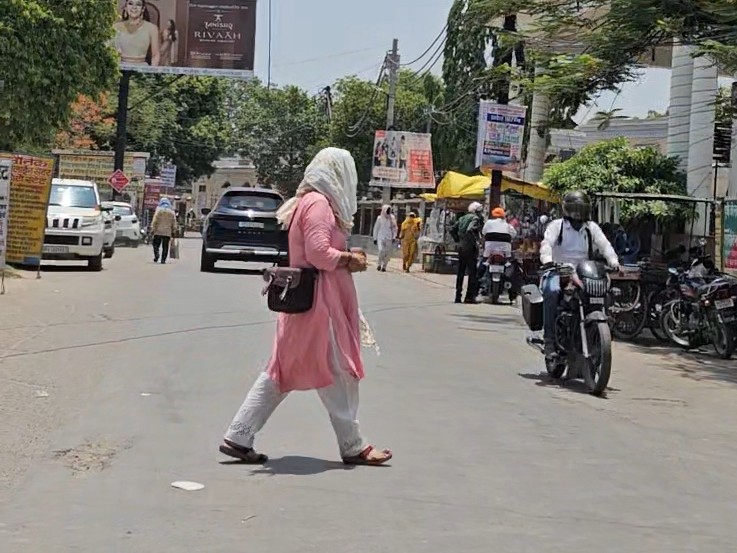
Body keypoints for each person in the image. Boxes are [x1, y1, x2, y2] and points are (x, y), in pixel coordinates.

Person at [220, 147, 392, 466]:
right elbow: (318, 253)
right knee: (338, 371)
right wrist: (348, 259)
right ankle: (353, 445)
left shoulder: (313, 202)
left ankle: (239, 435)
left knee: (281, 371)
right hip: (320, 305)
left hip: (309, 303)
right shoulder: (319, 204)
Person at [539, 191, 619, 360]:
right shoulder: (557, 226)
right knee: (551, 292)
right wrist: (547, 260)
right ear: (567, 209)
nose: (577, 213)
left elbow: (605, 245)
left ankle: (600, 332)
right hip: (558, 270)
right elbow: (547, 244)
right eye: (574, 208)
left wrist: (613, 261)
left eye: (581, 209)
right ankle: (549, 340)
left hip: (584, 272)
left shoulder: (591, 227)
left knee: (604, 293)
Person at [451, 202, 484, 304]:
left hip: (461, 247)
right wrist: (476, 241)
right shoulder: (475, 219)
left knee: (460, 272)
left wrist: (458, 240)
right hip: (470, 248)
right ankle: (469, 297)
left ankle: (458, 296)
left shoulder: (462, 218)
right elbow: (471, 229)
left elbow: (452, 229)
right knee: (472, 273)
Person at [113, 0, 160, 66]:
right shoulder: (116, 27)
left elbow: (155, 55)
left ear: (143, 9)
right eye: (130, 3)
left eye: (138, 4)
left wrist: (152, 71)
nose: (134, 7)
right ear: (125, 7)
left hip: (142, 69)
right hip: (120, 67)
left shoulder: (152, 28)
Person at [150, 198, 177, 264]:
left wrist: (152, 229)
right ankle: (163, 260)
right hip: (167, 233)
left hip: (158, 232)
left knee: (155, 245)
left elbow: (155, 221)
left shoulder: (158, 211)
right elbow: (174, 223)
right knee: (165, 247)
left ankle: (156, 254)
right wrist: (174, 231)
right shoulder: (171, 212)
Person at [373, 205, 397, 272]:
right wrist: (375, 238)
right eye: (387, 210)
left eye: (389, 210)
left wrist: (394, 236)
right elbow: (376, 228)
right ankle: (379, 264)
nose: (388, 211)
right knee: (381, 250)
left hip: (389, 237)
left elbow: (394, 228)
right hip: (380, 237)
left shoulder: (392, 218)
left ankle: (384, 266)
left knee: (387, 252)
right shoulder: (379, 218)